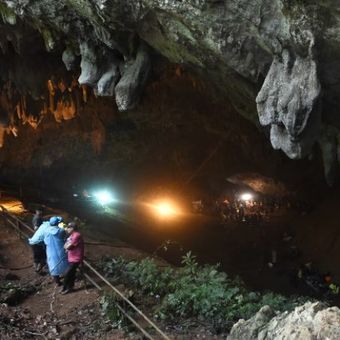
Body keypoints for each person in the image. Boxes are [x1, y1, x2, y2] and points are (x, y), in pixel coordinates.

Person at [44, 216, 69, 286]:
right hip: (60, 250)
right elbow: (66, 234)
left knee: (53, 264)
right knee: (64, 263)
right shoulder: (61, 231)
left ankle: (57, 282)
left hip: (50, 250)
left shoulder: (46, 230)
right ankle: (67, 278)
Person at [61, 222, 84, 294]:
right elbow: (64, 246)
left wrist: (67, 246)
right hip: (71, 257)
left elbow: (68, 246)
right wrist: (67, 246)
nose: (67, 229)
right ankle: (69, 287)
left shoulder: (76, 235)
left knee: (68, 273)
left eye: (68, 227)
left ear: (72, 228)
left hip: (76, 258)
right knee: (72, 273)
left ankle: (65, 288)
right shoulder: (71, 235)